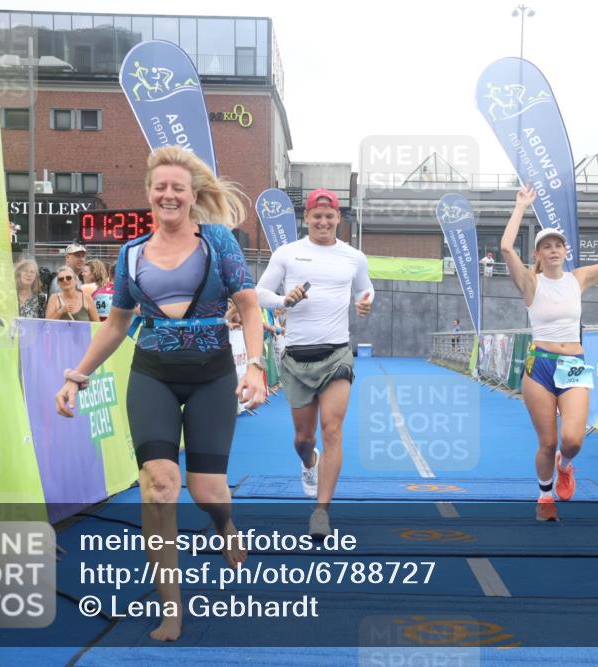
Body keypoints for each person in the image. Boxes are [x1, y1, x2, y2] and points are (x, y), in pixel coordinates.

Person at [54, 146, 266, 642]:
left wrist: (254, 365)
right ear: (150, 194)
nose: (169, 195)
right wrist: (76, 376)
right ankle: (172, 609)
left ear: (193, 196)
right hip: (152, 373)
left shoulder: (218, 242)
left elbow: (250, 307)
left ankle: (226, 527)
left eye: (178, 188)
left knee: (208, 491)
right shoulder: (131, 255)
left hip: (212, 373)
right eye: (160, 187)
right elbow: (115, 326)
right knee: (160, 484)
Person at [501, 184, 598, 521]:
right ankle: (545, 496)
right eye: (545, 246)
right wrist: (521, 205)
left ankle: (565, 467)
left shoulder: (578, 278)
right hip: (539, 365)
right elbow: (507, 247)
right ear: (537, 254)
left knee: (572, 441)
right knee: (547, 441)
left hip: (574, 364)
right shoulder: (530, 283)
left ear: (566, 251)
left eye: (557, 245)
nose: (552, 250)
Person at [254, 188, 374, 538]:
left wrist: (365, 302)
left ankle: (321, 511)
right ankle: (309, 463)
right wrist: (282, 299)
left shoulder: (353, 256)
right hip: (297, 357)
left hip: (337, 353)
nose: (323, 221)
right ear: (305, 218)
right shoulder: (288, 253)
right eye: (316, 216)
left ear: (339, 218)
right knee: (303, 439)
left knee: (332, 430)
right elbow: (258, 292)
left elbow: (365, 289)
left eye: (329, 215)